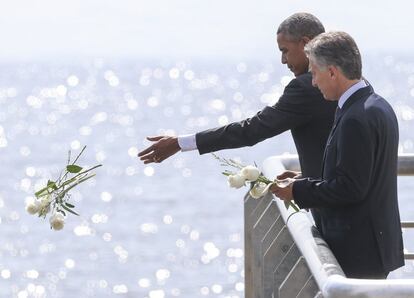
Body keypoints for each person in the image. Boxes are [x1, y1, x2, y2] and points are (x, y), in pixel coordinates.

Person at [138, 12, 337, 186]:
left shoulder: (306, 87)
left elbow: (252, 130)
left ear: (305, 43)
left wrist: (180, 143)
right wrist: (306, 176)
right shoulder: (348, 77)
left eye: (284, 50)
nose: (283, 60)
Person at [271, 31, 404, 279]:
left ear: (332, 72)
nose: (312, 82)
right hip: (374, 244)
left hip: (358, 250)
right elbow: (362, 172)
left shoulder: (355, 118)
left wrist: (297, 191)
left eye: (315, 73)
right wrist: (305, 178)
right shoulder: (377, 105)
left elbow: (350, 188)